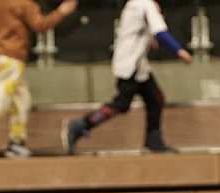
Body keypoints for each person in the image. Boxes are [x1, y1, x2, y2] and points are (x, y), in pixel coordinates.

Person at [61, 0, 192, 155]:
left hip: (137, 64)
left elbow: (136, 29)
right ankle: (80, 125)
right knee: (121, 104)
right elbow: (160, 31)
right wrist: (179, 50)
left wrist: (149, 39)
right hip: (130, 64)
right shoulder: (144, 4)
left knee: (156, 99)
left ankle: (153, 140)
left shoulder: (134, 4)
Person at [0, 0, 79, 159]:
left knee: (22, 100)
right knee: (0, 94)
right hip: (13, 58)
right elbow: (40, 24)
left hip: (2, 56)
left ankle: (16, 142)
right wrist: (61, 12)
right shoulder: (25, 3)